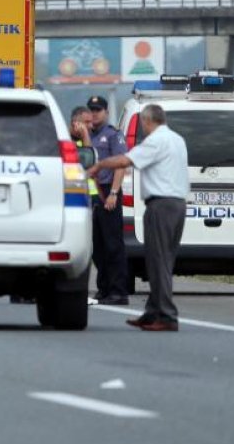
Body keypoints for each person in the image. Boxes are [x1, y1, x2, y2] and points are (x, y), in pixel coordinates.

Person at [87, 104, 188, 332]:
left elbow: (124, 161)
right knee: (163, 259)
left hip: (161, 205)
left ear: (147, 121)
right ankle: (153, 311)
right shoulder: (176, 139)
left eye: (143, 122)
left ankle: (166, 316)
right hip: (177, 204)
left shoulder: (156, 140)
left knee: (158, 260)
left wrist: (100, 164)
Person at [86, 95, 129, 305]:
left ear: (106, 112)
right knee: (98, 245)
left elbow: (121, 165)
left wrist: (114, 192)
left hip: (108, 192)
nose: (94, 113)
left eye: (98, 110)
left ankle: (119, 291)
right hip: (94, 193)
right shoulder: (89, 135)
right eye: (92, 110)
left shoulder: (112, 135)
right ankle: (103, 289)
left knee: (113, 245)